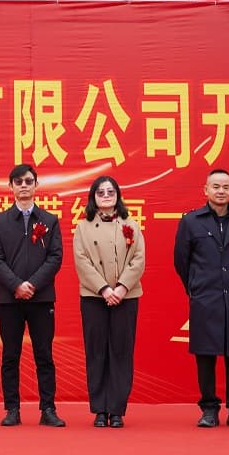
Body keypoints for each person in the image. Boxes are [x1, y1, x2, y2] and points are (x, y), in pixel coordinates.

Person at [173, 169, 229, 428]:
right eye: (216, 186)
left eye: (226, 187)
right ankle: (209, 408)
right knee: (205, 354)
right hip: (205, 296)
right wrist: (196, 286)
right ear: (206, 190)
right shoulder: (191, 221)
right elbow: (181, 260)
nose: (221, 191)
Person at [0, 163, 65, 427]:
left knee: (44, 354)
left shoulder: (49, 220)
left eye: (28, 181)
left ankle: (48, 409)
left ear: (36, 185)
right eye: (18, 182)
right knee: (11, 355)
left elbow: (55, 258)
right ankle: (12, 409)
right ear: (10, 187)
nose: (23, 186)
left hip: (42, 299)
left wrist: (32, 284)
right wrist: (16, 285)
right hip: (10, 300)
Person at [73, 175, 145, 428]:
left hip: (126, 296)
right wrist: (104, 289)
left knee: (121, 351)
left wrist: (122, 287)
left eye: (110, 191)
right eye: (100, 192)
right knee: (97, 352)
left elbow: (138, 259)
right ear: (93, 197)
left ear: (118, 195)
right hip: (94, 297)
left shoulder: (131, 225)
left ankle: (117, 409)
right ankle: (99, 409)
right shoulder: (83, 227)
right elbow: (81, 261)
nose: (105, 195)